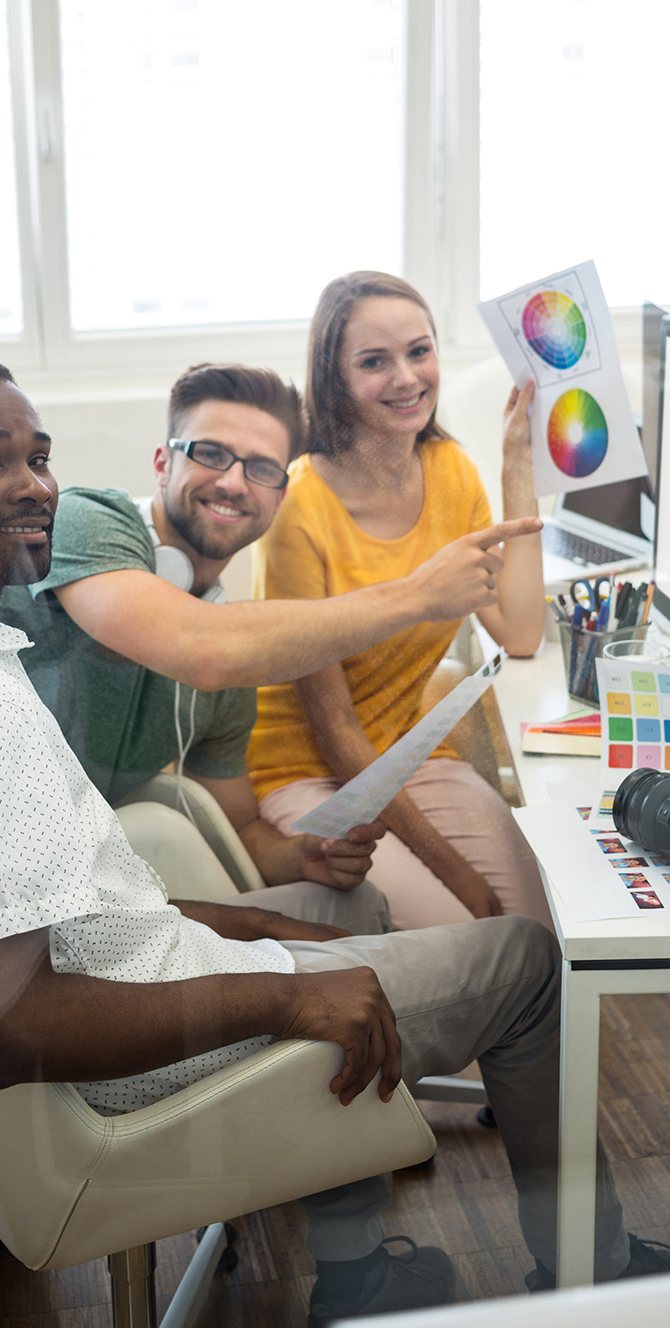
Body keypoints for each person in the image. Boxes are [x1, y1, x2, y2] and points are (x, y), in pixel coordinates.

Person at [0, 354, 670, 1320]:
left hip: (131, 960)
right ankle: (597, 1271)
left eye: (39, 458)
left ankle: (358, 1268)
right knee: (531, 965)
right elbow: (10, 1027)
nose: (34, 484)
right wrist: (283, 999)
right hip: (134, 1063)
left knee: (346, 904)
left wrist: (264, 922)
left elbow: (97, 896)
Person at [0, 362, 396, 908]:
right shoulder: (86, 520)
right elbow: (198, 646)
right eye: (210, 454)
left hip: (87, 877)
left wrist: (303, 856)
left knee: (363, 904)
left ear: (279, 497)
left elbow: (245, 833)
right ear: (163, 463)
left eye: (261, 469)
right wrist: (413, 596)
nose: (233, 481)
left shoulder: (228, 648)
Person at [248, 272, 551, 930]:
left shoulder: (450, 470)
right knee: (470, 938)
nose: (407, 378)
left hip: (408, 756)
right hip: (310, 774)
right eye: (374, 362)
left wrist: (518, 467)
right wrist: (455, 870)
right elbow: (334, 732)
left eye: (419, 351)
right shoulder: (299, 507)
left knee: (541, 933)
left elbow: (521, 632)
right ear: (334, 380)